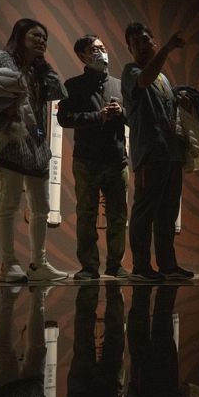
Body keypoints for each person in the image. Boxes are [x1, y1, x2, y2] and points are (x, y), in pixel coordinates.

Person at [0, 18, 68, 282]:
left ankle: (39, 264)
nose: (41, 41)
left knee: (41, 207)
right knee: (9, 204)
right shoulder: (1, 58)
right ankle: (9, 264)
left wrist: (44, 65)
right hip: (9, 141)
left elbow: (60, 92)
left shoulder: (37, 69)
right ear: (20, 36)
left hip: (36, 145)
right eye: (36, 35)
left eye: (44, 38)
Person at [121, 22, 193, 282]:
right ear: (130, 48)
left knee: (168, 213)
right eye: (136, 42)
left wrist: (182, 102)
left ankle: (168, 265)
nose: (143, 45)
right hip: (149, 153)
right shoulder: (131, 71)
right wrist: (168, 48)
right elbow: (144, 79)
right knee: (145, 210)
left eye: (146, 39)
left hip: (171, 154)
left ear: (153, 41)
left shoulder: (163, 79)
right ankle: (141, 266)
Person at [57, 35, 130, 281]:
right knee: (86, 214)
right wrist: (97, 117)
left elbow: (135, 117)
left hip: (117, 160)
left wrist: (122, 112)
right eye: (95, 49)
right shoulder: (73, 86)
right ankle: (88, 267)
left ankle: (115, 265)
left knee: (118, 216)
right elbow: (64, 119)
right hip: (86, 160)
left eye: (103, 47)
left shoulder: (120, 85)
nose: (102, 52)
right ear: (82, 56)